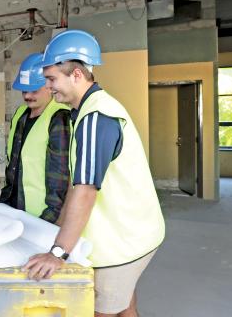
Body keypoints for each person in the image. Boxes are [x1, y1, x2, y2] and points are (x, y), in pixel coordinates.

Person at [22, 30, 165, 317]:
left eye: (52, 79)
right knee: (126, 306)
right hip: (137, 234)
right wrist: (57, 230)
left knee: (101, 311)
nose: (48, 87)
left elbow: (85, 191)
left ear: (76, 74)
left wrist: (58, 253)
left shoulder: (95, 118)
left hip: (120, 243)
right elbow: (76, 184)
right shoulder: (90, 110)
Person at [1, 52, 71, 224]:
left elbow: (59, 174)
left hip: (40, 214)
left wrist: (50, 217)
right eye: (24, 90)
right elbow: (13, 163)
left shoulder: (59, 117)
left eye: (34, 90)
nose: (27, 96)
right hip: (12, 205)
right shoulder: (20, 114)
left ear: (49, 86)